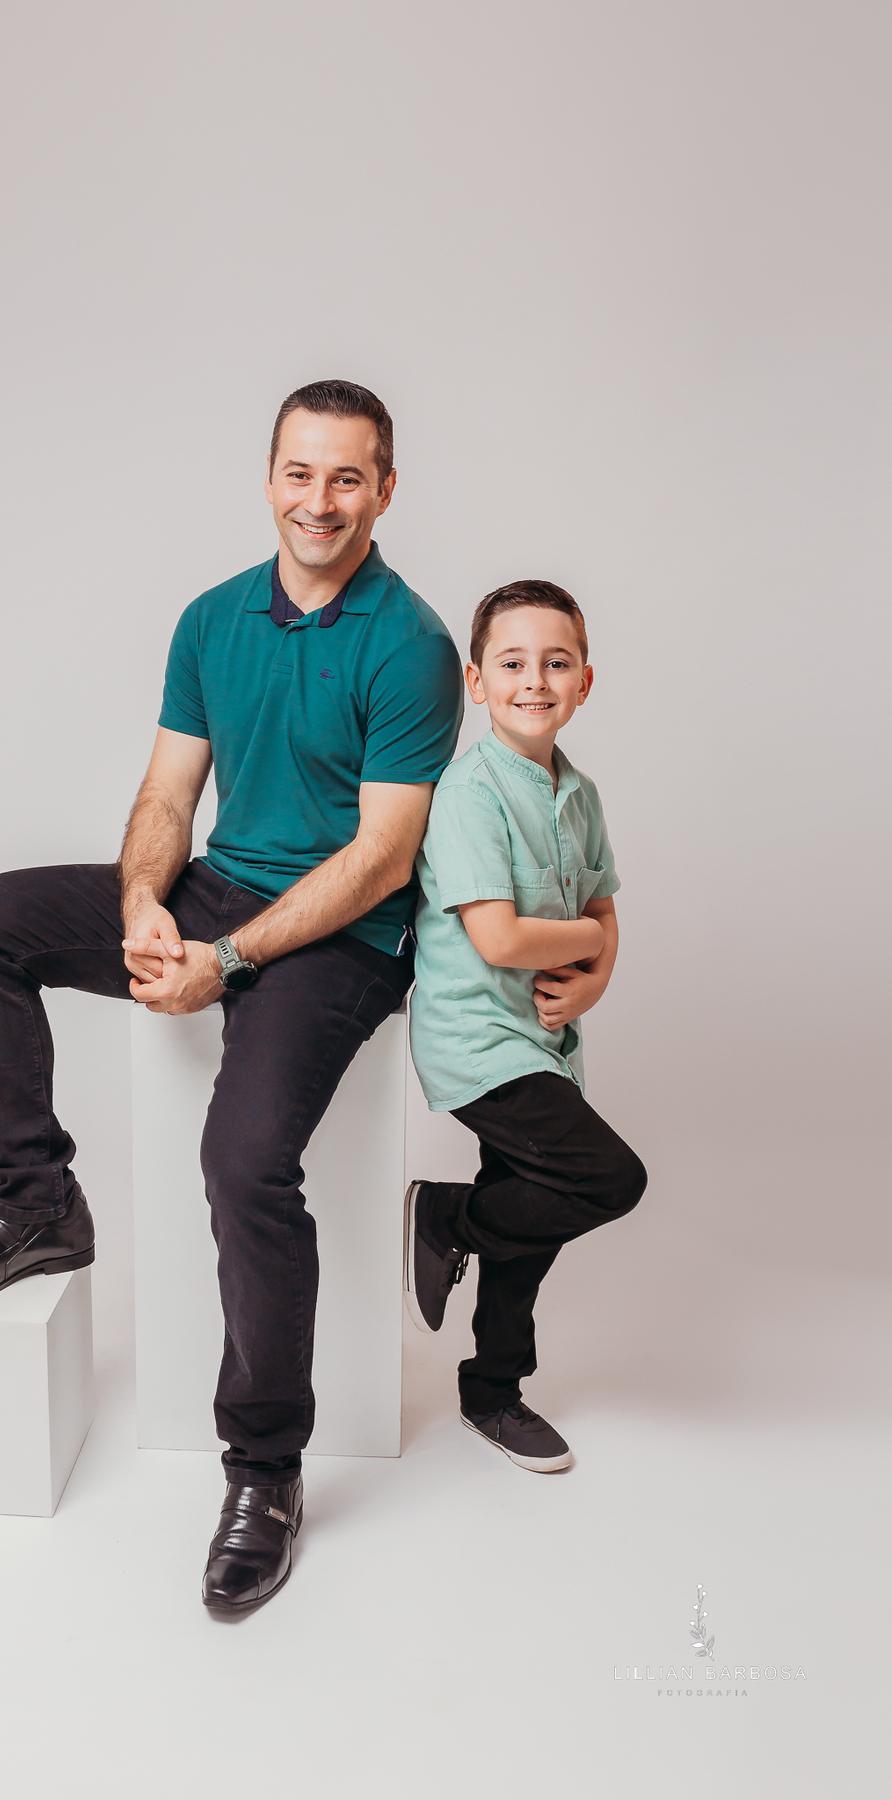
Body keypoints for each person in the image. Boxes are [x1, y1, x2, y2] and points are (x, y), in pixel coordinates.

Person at [0, 379, 465, 1610]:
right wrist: (146, 904)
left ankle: (263, 1471)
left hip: (343, 940)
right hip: (217, 892)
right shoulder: (213, 619)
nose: (320, 501)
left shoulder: (411, 645)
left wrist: (231, 962)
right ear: (268, 478)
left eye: (348, 477)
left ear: (385, 490)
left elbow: (383, 859)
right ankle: (37, 1202)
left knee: (243, 1165)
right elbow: (166, 795)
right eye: (300, 473)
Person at [404, 580, 647, 1472]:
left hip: (544, 1040)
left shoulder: (579, 793)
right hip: (478, 1039)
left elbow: (604, 907)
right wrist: (589, 941)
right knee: (608, 1178)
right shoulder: (469, 792)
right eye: (512, 663)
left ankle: (492, 1393)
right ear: (477, 681)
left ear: (585, 681)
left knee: (534, 1225)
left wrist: (596, 977)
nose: (534, 681)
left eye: (556, 663)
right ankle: (448, 1216)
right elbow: (500, 938)